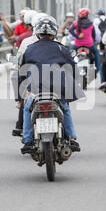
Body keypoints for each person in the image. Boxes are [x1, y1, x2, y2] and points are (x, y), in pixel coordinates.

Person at [18, 16, 84, 155]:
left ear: (37, 32)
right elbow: (72, 68)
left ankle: (28, 140)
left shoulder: (29, 49)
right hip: (57, 90)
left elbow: (22, 72)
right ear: (54, 33)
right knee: (65, 109)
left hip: (37, 89)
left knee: (27, 108)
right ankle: (72, 137)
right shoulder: (61, 48)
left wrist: (21, 94)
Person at [69, 8, 104, 84]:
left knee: (70, 55)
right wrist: (93, 41)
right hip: (89, 45)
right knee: (96, 54)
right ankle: (97, 68)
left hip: (77, 45)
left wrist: (77, 37)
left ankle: (68, 68)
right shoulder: (91, 24)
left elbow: (70, 30)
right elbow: (94, 35)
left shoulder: (76, 23)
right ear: (87, 15)